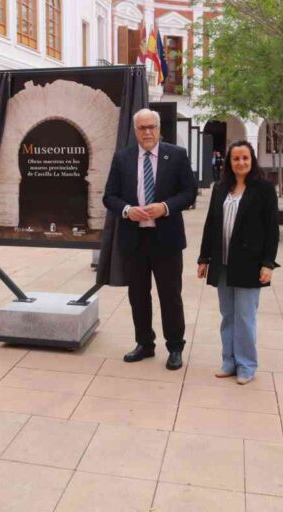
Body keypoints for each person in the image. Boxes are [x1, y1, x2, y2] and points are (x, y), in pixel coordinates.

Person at [103, 108, 197, 370]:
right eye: (142, 128)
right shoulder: (122, 158)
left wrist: (165, 207)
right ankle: (144, 343)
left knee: (170, 295)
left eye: (151, 127)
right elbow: (109, 196)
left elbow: (189, 192)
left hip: (166, 240)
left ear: (159, 129)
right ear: (135, 131)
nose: (147, 132)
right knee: (138, 295)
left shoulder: (176, 155)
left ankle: (175, 347)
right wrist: (127, 211)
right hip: (134, 240)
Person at [197, 140, 279, 385]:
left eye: (245, 158)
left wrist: (268, 263)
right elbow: (211, 224)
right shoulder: (221, 188)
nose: (241, 162)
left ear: (252, 160)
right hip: (222, 263)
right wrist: (204, 258)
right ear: (229, 162)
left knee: (245, 316)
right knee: (228, 315)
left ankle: (246, 365)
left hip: (249, 264)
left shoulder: (264, 189)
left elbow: (271, 229)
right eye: (236, 158)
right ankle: (229, 361)